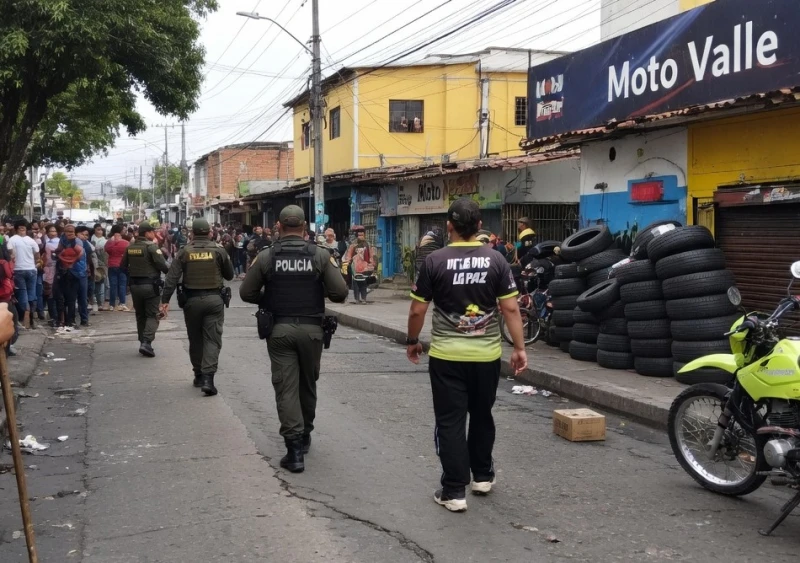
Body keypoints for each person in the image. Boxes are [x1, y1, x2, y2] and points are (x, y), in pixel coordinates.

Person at [406, 197, 528, 513]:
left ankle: (453, 490)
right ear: (478, 227)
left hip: (447, 357)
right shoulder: (497, 260)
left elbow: (418, 308)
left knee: (450, 421)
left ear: (449, 226)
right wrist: (519, 348)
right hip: (486, 357)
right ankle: (483, 476)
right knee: (482, 414)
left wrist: (412, 340)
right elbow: (511, 308)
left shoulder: (434, 261)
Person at [239, 205, 349, 473]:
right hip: (312, 330)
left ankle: (294, 450)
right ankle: (305, 434)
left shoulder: (267, 256)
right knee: (308, 384)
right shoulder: (321, 256)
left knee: (286, 387)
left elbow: (246, 292)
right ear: (305, 226)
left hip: (279, 330)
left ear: (278, 225)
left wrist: (269, 296)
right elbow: (340, 293)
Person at [160, 218, 234, 396]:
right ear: (210, 232)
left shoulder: (184, 252)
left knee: (195, 339)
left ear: (192, 233)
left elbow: (172, 277)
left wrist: (165, 300)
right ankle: (208, 379)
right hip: (214, 300)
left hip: (191, 302)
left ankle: (199, 374)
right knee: (212, 339)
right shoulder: (219, 250)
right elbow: (230, 275)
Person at [122, 221, 169, 357]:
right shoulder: (152, 247)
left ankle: (142, 340)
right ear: (147, 233)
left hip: (135, 286)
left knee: (140, 315)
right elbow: (164, 266)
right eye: (152, 231)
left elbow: (123, 265)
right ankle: (147, 342)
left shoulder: (130, 247)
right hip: (150, 285)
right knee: (153, 314)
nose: (154, 233)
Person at [8, 220, 41, 329]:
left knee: (22, 294)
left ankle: (24, 319)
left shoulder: (12, 240)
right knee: (32, 294)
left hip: (18, 270)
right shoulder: (31, 240)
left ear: (16, 229)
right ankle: (31, 319)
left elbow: (11, 255)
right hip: (31, 270)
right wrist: (35, 264)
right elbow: (37, 254)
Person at [54, 224, 85, 330]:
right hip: (63, 272)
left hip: (75, 272)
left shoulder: (78, 241)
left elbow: (79, 255)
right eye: (67, 231)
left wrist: (69, 260)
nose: (70, 233)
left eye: (72, 231)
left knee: (72, 298)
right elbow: (58, 251)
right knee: (60, 298)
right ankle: (62, 320)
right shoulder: (62, 239)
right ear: (64, 232)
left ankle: (71, 321)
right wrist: (60, 254)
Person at [342, 226, 376, 304]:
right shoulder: (353, 245)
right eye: (359, 235)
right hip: (355, 266)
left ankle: (363, 298)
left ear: (364, 235)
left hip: (365, 266)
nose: (360, 236)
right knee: (356, 283)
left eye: (362, 235)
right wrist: (347, 262)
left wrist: (372, 263)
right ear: (357, 235)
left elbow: (371, 254)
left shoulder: (368, 244)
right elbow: (349, 254)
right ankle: (357, 299)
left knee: (363, 283)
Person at [105, 225, 130, 311]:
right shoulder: (126, 243)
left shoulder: (109, 243)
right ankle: (122, 303)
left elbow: (107, 250)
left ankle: (112, 304)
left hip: (112, 265)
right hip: (122, 265)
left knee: (113, 285)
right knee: (122, 285)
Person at [75, 225, 95, 326]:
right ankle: (74, 319)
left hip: (84, 273)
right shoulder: (69, 243)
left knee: (83, 297)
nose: (84, 236)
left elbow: (90, 257)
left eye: (86, 235)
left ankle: (84, 319)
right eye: (82, 234)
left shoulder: (85, 244)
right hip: (73, 273)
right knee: (77, 298)